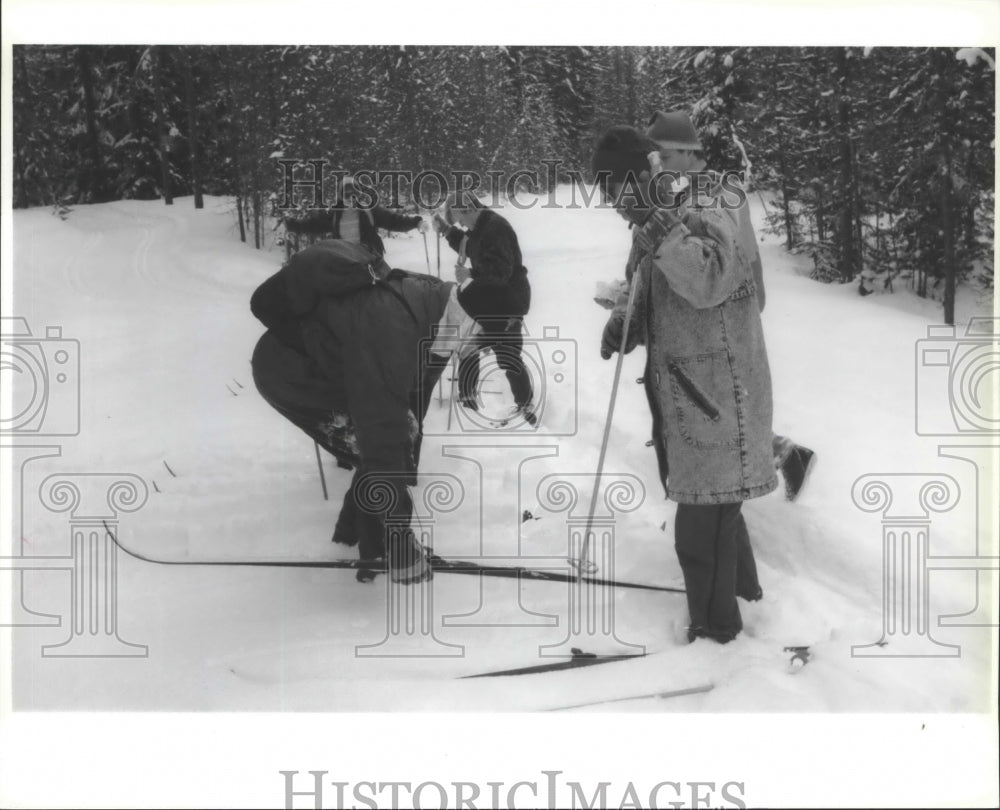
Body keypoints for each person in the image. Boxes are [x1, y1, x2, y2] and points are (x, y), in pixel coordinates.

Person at [592, 121, 775, 644]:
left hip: (720, 383)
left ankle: (717, 633)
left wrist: (655, 219)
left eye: (617, 188)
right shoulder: (658, 208)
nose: (613, 201)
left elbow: (710, 279)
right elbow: (648, 280)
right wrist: (626, 318)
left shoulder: (718, 198)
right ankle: (743, 594)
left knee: (703, 515)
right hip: (686, 385)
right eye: (607, 191)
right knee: (714, 502)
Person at [249, 239, 459, 584]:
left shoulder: (436, 303)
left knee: (387, 442)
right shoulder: (392, 326)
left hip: (319, 362)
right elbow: (382, 431)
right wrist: (399, 535)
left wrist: (406, 450)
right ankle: (384, 548)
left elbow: (409, 406)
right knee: (376, 443)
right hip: (292, 373)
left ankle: (356, 541)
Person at [645, 110, 816, 501]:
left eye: (665, 158)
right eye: (653, 160)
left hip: (722, 316)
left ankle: (783, 454)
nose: (659, 168)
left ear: (689, 153)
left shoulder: (716, 193)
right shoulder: (694, 190)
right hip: (720, 315)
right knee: (719, 405)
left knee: (721, 407)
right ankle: (784, 453)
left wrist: (747, 298)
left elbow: (721, 262)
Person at [432, 192, 535, 423]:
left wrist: (471, 273)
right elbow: (468, 245)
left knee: (507, 355)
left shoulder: (495, 228)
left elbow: (501, 270)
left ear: (467, 209)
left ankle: (526, 405)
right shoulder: (479, 227)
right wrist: (447, 231)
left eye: (459, 219)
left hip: (509, 301)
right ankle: (468, 400)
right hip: (489, 297)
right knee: (468, 346)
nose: (461, 225)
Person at [281, 174, 429, 259]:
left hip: (369, 258)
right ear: (340, 196)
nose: (350, 198)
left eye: (353, 194)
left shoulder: (369, 211)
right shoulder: (334, 215)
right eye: (346, 194)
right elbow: (313, 225)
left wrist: (417, 222)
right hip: (344, 259)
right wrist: (292, 225)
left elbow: (393, 221)